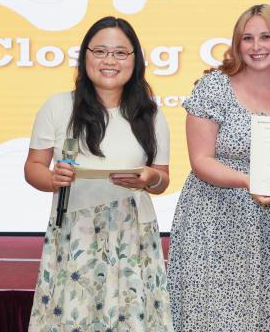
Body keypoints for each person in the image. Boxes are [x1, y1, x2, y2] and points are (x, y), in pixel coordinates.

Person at [167, 4, 270, 331]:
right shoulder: (214, 87)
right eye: (247, 38)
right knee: (214, 319)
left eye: (266, 37)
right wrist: (251, 181)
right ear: (237, 43)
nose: (256, 46)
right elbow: (201, 161)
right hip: (213, 221)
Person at [25, 16, 173, 331]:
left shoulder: (150, 113)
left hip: (133, 234)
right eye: (100, 51)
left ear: (135, 60)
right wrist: (52, 179)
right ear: (85, 56)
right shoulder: (58, 107)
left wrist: (150, 178)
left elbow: (162, 179)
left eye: (120, 53)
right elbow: (33, 167)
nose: (109, 61)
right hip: (74, 232)